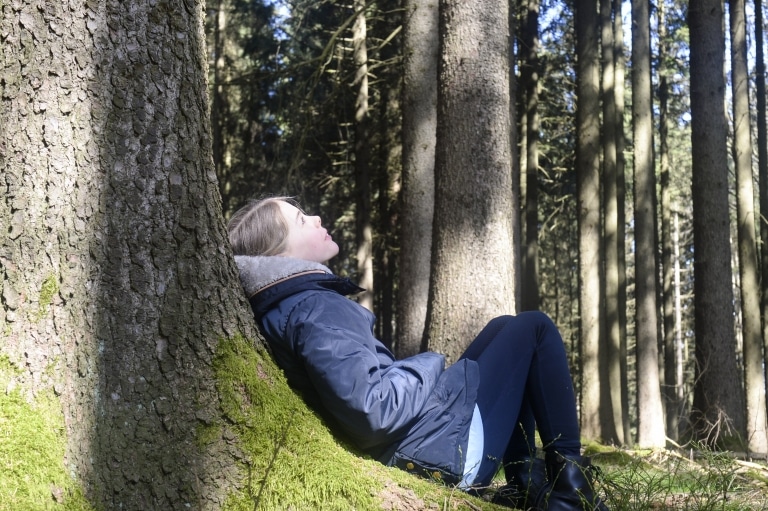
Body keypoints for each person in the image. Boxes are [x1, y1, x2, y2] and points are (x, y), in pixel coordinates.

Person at [227, 196, 609, 510]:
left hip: (424, 442)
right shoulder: (314, 308)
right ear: (279, 253)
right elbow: (372, 410)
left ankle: (529, 487)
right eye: (300, 219)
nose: (315, 217)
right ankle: (572, 494)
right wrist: (427, 362)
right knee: (534, 328)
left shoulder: (293, 306)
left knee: (505, 327)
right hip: (438, 455)